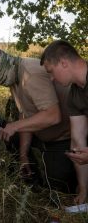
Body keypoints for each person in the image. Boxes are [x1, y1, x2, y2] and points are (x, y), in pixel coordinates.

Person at [0, 46, 77, 194]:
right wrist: (23, 155)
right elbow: (25, 114)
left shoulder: (30, 74)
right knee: (11, 137)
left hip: (65, 138)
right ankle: (33, 176)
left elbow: (53, 116)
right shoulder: (13, 75)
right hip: (44, 136)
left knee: (59, 188)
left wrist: (15, 126)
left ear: (3, 61)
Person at [40, 39, 88, 204]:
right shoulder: (74, 95)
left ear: (63, 63)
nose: (51, 79)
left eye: (51, 71)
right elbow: (77, 142)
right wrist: (83, 190)